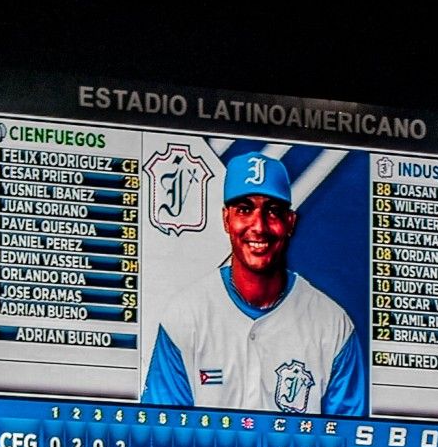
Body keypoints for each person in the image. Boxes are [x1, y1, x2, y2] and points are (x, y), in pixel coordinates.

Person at [140, 153, 367, 416]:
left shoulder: (332, 325)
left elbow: (348, 445)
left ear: (290, 223)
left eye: (272, 211)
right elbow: (162, 434)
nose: (258, 226)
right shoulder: (186, 315)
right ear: (227, 219)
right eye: (245, 210)